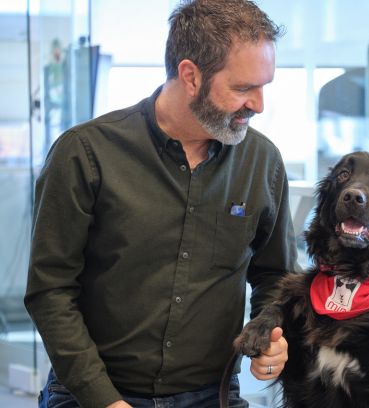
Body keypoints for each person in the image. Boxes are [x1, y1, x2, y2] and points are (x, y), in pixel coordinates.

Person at [24, 1, 297, 407]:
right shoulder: (85, 153)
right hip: (93, 392)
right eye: (242, 88)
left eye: (264, 87)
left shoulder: (263, 162)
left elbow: (276, 277)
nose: (258, 104)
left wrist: (273, 341)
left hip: (212, 393)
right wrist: (105, 401)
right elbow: (51, 291)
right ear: (190, 75)